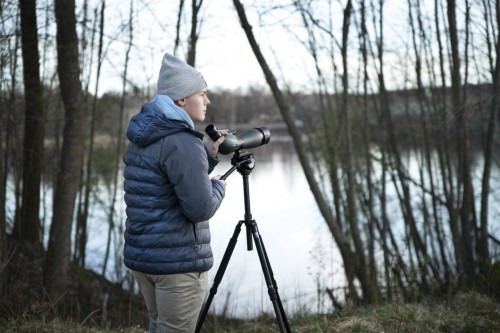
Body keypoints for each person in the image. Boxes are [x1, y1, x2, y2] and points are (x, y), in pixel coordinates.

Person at [123, 52, 227, 333]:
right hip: (177, 266)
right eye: (202, 94)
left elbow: (167, 184)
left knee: (158, 326)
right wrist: (218, 186)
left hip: (145, 259)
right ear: (182, 99)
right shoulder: (182, 140)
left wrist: (208, 155)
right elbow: (199, 207)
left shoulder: (144, 134)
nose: (207, 101)